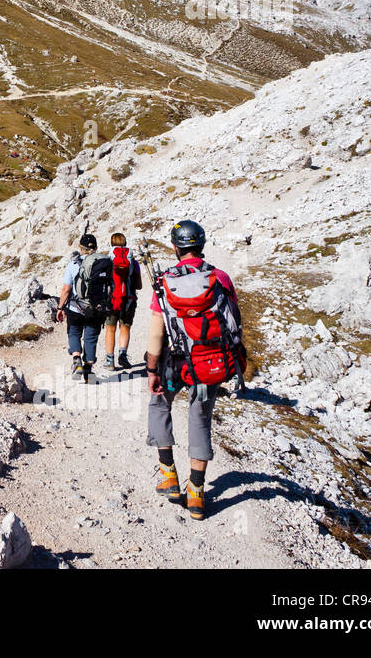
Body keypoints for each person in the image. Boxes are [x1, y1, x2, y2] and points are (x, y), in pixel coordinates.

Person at [146, 219, 241, 521]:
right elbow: (234, 324)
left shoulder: (165, 281)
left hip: (174, 364)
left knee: (160, 404)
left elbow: (156, 333)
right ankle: (197, 495)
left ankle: (169, 477)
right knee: (200, 419)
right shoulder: (220, 277)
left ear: (175, 248)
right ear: (201, 244)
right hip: (208, 362)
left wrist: (152, 369)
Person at [56, 234, 103, 382]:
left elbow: (66, 290)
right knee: (90, 337)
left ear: (80, 248)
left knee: (74, 332)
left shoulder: (73, 265)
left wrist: (60, 307)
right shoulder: (103, 263)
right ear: (95, 248)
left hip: (75, 307)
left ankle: (76, 360)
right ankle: (88, 369)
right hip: (95, 308)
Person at [103, 232, 142, 370]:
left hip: (111, 300)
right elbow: (139, 286)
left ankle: (110, 361)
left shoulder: (107, 260)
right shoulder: (134, 262)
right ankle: (123, 355)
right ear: (125, 244)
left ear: (112, 244)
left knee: (110, 329)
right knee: (125, 328)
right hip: (129, 300)